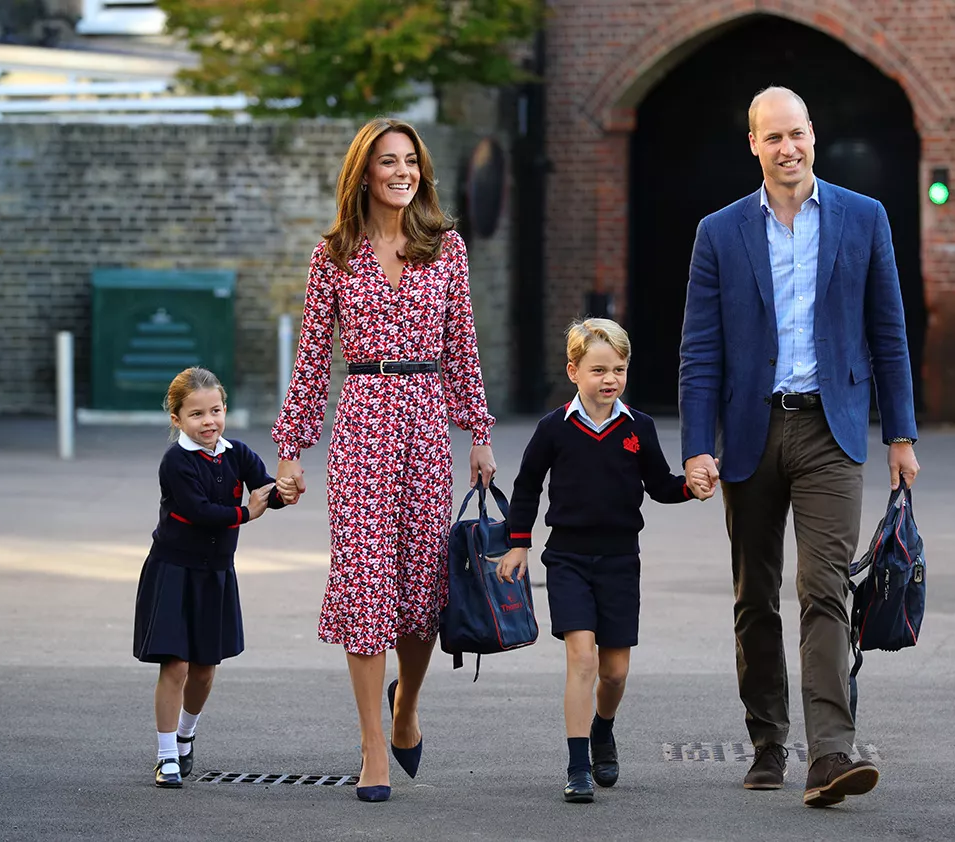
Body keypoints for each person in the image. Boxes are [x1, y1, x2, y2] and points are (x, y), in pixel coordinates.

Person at [678, 86, 921, 808]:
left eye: (798, 134)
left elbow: (890, 332)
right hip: (750, 433)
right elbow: (700, 351)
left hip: (831, 428)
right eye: (773, 137)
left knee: (825, 589)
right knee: (755, 596)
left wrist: (900, 434)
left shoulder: (863, 217)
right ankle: (766, 738)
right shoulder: (719, 233)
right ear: (753, 145)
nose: (788, 148)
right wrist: (697, 446)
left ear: (813, 135)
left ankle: (830, 755)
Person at [271, 118, 497, 803]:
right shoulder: (333, 254)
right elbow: (312, 360)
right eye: (387, 162)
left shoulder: (446, 249)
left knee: (424, 591)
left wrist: (478, 432)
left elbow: (462, 347)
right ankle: (372, 744)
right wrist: (291, 449)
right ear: (363, 174)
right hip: (363, 420)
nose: (402, 172)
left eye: (410, 161)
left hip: (427, 421)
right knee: (367, 583)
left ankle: (406, 710)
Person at [496, 318, 713, 803]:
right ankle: (577, 768)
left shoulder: (640, 428)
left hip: (620, 561)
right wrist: (518, 542)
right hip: (567, 558)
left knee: (614, 672)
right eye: (598, 369)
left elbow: (660, 485)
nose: (609, 379)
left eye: (618, 369)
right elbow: (528, 485)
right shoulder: (554, 428)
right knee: (583, 658)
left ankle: (603, 728)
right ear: (573, 371)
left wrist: (689, 488)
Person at [133, 366, 286, 788]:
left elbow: (265, 487)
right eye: (197, 414)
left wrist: (283, 492)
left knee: (204, 668)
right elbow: (200, 512)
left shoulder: (236, 453)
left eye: (215, 410)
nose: (209, 422)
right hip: (173, 571)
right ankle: (166, 756)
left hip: (215, 574)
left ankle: (185, 736)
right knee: (176, 664)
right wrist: (247, 513)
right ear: (177, 419)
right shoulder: (175, 462)